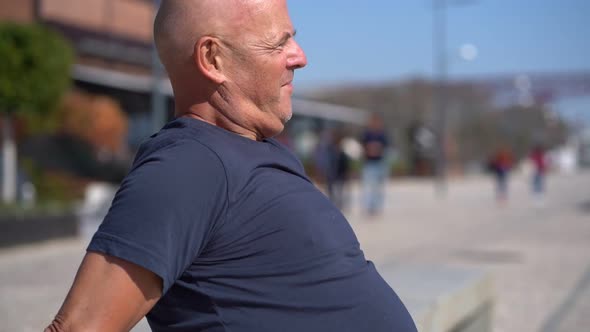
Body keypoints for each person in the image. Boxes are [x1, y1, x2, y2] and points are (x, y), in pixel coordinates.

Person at [44, 1, 417, 332]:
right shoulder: (185, 166)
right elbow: (80, 325)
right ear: (212, 59)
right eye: (278, 42)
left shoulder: (258, 147)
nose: (300, 56)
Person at [361, 113, 390, 215]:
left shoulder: (383, 135)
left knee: (379, 187)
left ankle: (377, 207)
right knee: (368, 186)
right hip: (369, 163)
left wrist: (377, 149)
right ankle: (369, 207)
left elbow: (386, 148)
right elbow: (363, 147)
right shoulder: (366, 134)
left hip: (380, 163)